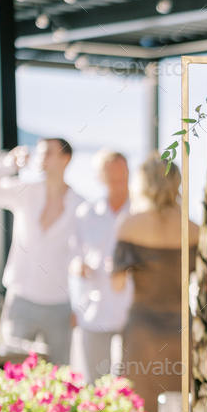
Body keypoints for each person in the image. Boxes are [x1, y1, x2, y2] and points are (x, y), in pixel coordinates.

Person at [111, 152, 199, 412]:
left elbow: (116, 283)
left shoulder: (130, 224)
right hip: (181, 330)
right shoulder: (194, 228)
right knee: (181, 408)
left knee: (140, 410)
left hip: (143, 331)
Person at [0, 139, 83, 365]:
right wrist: (8, 164)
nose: (41, 157)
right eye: (40, 152)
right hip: (21, 300)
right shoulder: (26, 190)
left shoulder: (80, 205)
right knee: (14, 370)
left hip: (60, 305)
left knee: (58, 373)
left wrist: (79, 305)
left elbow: (83, 257)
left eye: (48, 153)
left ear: (66, 158)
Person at [70, 149, 133, 383]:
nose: (119, 183)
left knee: (131, 385)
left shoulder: (140, 213)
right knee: (95, 384)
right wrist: (79, 268)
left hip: (133, 313)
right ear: (101, 179)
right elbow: (73, 257)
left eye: (123, 176)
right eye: (112, 178)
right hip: (93, 311)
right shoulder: (86, 213)